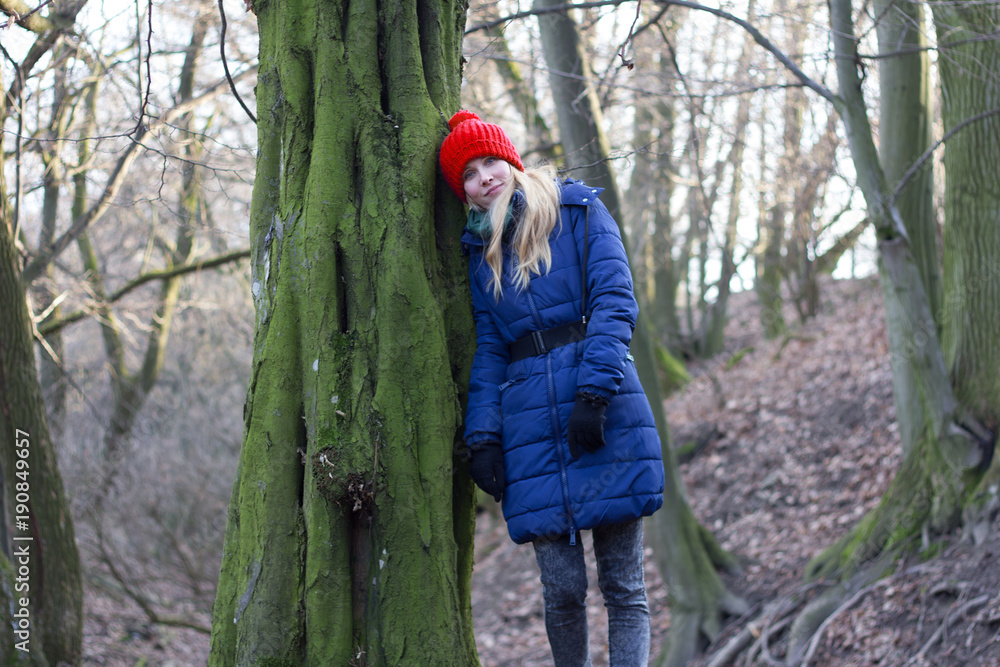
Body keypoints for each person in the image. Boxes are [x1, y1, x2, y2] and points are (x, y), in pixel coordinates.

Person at [440, 110, 666, 667]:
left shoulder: (578, 209)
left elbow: (615, 302)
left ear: (510, 159)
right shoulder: (478, 252)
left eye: (490, 161)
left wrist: (594, 396)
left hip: (604, 408)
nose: (484, 177)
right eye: (469, 173)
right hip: (530, 428)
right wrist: (484, 437)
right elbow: (491, 347)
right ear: (462, 191)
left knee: (623, 583)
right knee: (562, 590)